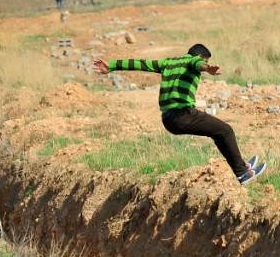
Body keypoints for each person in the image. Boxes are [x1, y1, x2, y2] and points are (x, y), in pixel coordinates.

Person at [92, 44, 266, 185]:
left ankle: (241, 166)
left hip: (168, 119)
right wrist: (206, 68)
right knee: (226, 130)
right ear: (200, 57)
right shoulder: (194, 62)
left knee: (218, 132)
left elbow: (140, 64)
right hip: (183, 115)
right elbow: (196, 64)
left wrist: (112, 65)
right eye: (205, 60)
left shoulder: (168, 62)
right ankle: (243, 174)